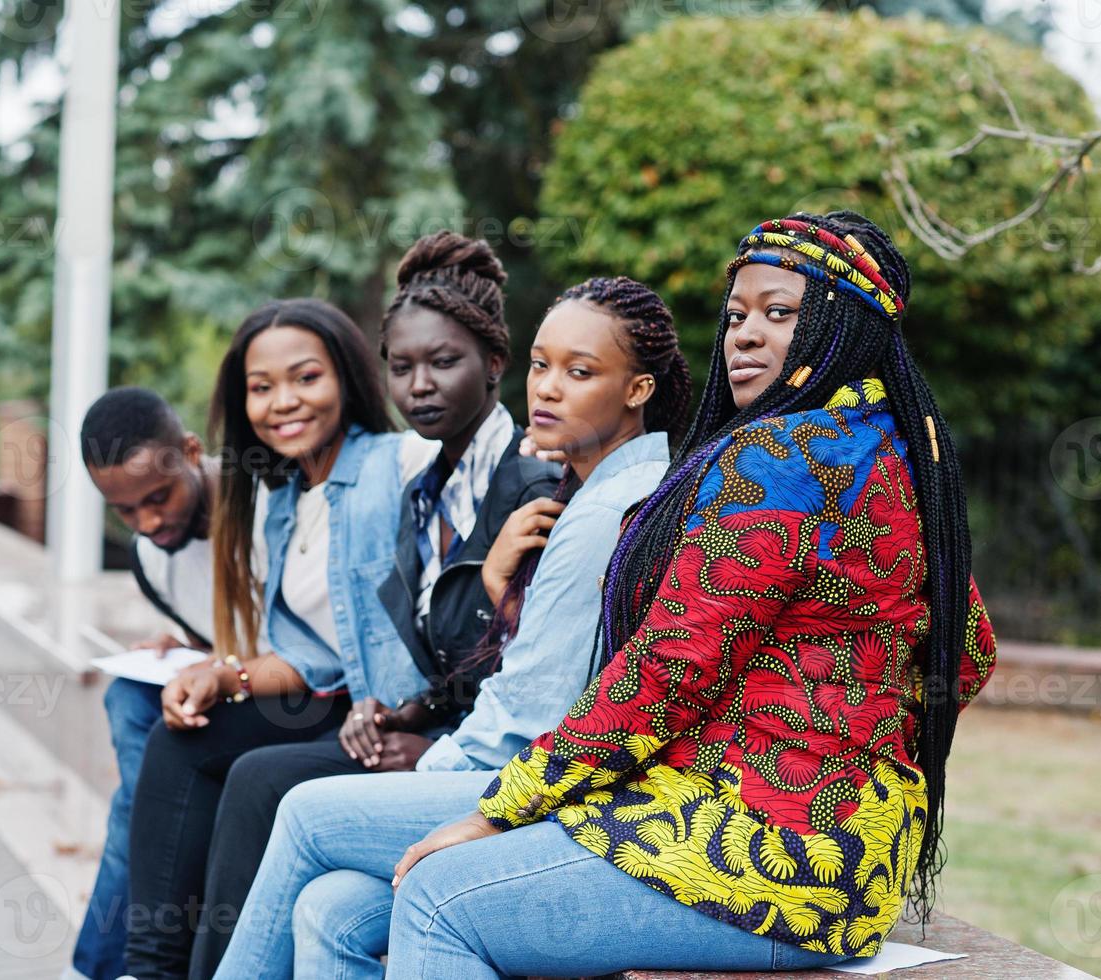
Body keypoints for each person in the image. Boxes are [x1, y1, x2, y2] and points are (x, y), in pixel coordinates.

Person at [379, 211, 998, 977]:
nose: (742, 334)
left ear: (843, 329)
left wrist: (498, 809)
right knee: (353, 902)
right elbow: (967, 654)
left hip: (758, 857)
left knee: (439, 900)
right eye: (736, 314)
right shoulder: (898, 457)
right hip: (857, 863)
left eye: (779, 313)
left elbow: (668, 669)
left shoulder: (776, 458)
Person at [213, 274, 692, 979]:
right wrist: (498, 590)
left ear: (637, 390)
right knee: (330, 908)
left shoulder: (602, 513)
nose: (548, 389)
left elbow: (525, 718)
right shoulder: (583, 493)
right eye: (542, 365)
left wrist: (426, 762)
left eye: (579, 371)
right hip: (526, 769)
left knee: (305, 812)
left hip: (554, 791)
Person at [187, 232, 563, 977]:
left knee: (277, 794)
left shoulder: (529, 485)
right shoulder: (424, 494)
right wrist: (402, 713)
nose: (419, 385)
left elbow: (530, 676)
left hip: (499, 774)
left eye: (443, 362)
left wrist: (426, 744)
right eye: (402, 367)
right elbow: (441, 661)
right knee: (321, 903)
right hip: (435, 740)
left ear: (494, 365)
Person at [123, 298, 436, 978]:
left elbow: (485, 454)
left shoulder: (398, 462)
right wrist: (223, 675)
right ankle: (150, 970)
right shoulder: (284, 501)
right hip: (333, 705)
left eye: (305, 378)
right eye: (260, 388)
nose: (282, 402)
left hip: (402, 722)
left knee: (257, 777)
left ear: (346, 380)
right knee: (180, 737)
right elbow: (311, 658)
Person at [68, 386, 230, 980]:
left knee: (139, 800)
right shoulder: (151, 555)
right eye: (126, 511)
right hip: (226, 685)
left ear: (191, 450)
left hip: (295, 697)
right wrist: (187, 647)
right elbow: (216, 629)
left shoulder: (260, 506)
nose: (149, 522)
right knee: (128, 696)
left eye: (159, 497)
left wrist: (219, 659)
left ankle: (95, 970)